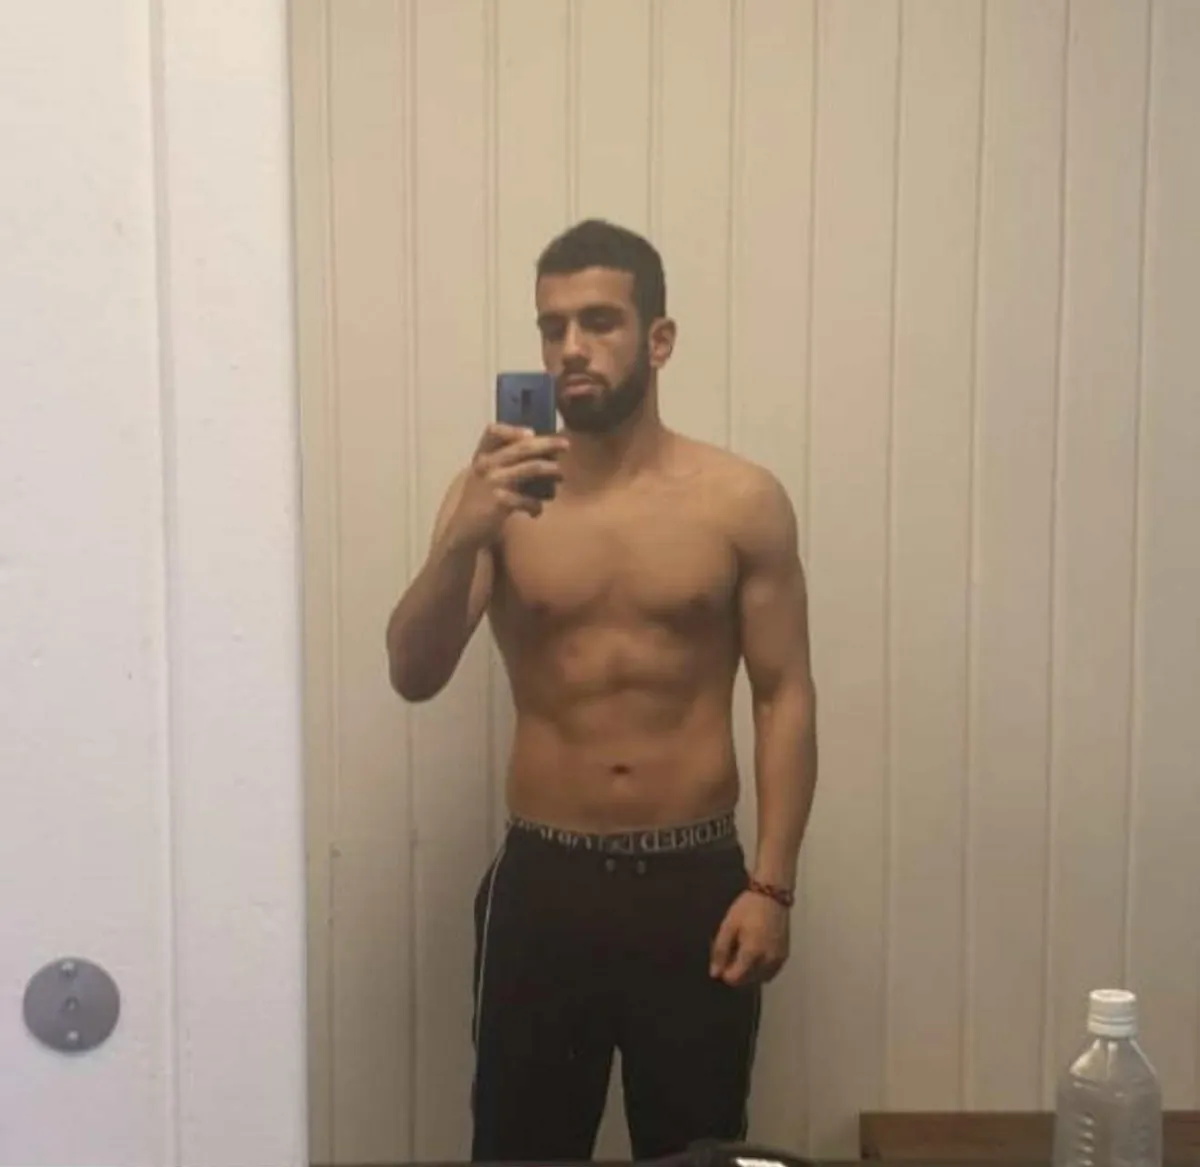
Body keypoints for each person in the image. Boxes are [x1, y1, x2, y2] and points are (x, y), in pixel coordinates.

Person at [385, 219, 818, 1163]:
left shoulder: (739, 500)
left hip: (697, 886)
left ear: (658, 339)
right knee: (521, 1147)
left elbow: (783, 693)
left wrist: (772, 884)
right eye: (552, 327)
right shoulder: (496, 497)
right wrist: (462, 535)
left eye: (598, 321)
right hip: (545, 881)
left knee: (697, 1148)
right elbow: (413, 672)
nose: (571, 347)